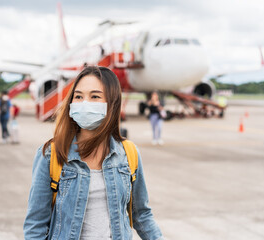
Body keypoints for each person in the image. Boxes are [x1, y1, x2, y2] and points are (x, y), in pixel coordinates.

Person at [24, 66, 164, 239]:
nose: (85, 103)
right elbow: (35, 225)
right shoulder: (51, 154)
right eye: (78, 96)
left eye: (95, 96)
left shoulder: (129, 153)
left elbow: (142, 215)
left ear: (112, 103)